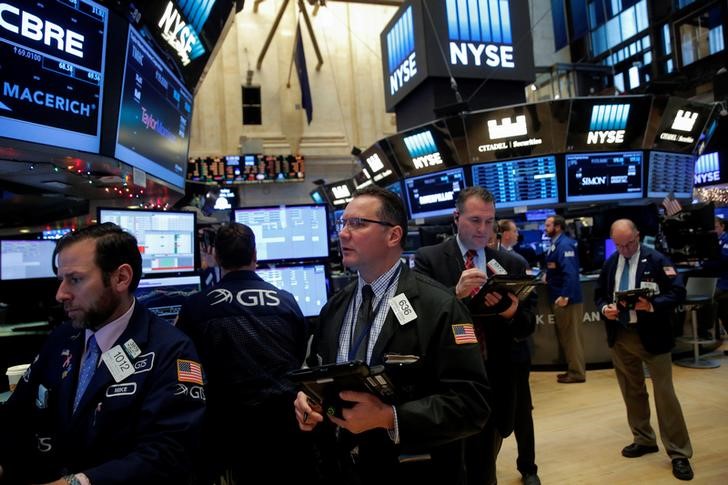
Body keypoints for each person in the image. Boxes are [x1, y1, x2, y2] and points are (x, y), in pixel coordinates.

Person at [293, 186, 489, 485]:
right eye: (342, 224)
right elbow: (315, 368)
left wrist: (389, 417)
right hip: (343, 470)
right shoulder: (335, 307)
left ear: (393, 235)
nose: (343, 233)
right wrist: (307, 399)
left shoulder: (440, 306)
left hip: (414, 471)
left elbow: (471, 405)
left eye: (357, 223)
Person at [0, 223, 205, 484]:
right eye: (60, 279)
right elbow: (16, 417)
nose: (60, 294)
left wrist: (78, 483)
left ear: (121, 278)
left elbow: (168, 453)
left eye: (75, 279)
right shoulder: (62, 338)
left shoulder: (171, 350)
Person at [415, 188, 540, 485]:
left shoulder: (510, 264)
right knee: (448, 469)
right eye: (474, 220)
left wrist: (511, 313)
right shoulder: (429, 260)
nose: (483, 229)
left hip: (493, 383)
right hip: (448, 385)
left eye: (489, 221)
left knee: (485, 468)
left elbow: (527, 327)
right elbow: (417, 322)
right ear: (456, 218)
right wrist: (454, 295)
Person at [176, 222, 316, 483]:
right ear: (255, 256)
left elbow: (186, 367)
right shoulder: (285, 300)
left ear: (216, 257)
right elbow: (298, 355)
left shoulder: (197, 306)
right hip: (285, 427)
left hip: (227, 431)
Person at [594, 219, 693, 481]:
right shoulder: (611, 262)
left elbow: (678, 292)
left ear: (638, 235)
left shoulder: (658, 259)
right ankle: (644, 438)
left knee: (665, 395)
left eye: (629, 244)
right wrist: (606, 309)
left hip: (653, 337)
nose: (625, 250)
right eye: (619, 245)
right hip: (621, 335)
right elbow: (599, 295)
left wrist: (651, 306)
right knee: (632, 390)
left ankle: (679, 452)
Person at [544, 214, 586, 383]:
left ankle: (577, 373)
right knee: (567, 338)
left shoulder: (564, 245)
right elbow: (557, 269)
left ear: (558, 227)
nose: (545, 229)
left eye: (548, 225)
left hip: (568, 300)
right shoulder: (556, 245)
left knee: (572, 339)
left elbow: (570, 274)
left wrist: (565, 296)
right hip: (561, 297)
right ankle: (572, 369)